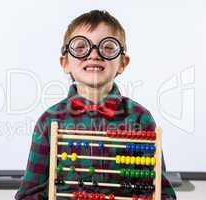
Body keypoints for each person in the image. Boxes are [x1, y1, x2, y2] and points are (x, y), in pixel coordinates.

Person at [15, 10, 176, 200]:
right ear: (65, 63)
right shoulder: (49, 120)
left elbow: (159, 191)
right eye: (81, 47)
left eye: (108, 47)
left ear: (123, 63)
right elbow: (30, 192)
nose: (93, 54)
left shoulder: (140, 118)